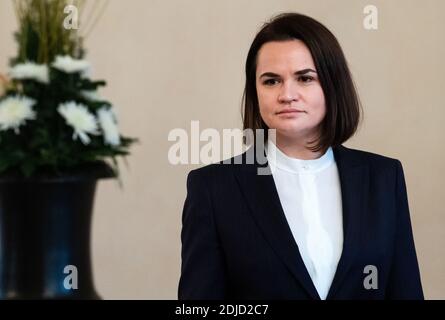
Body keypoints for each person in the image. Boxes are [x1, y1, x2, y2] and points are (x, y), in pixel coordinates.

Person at [178, 12, 423, 300]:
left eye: (305, 78)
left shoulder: (383, 177)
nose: (287, 94)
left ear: (332, 85)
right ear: (255, 92)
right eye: (271, 81)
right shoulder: (213, 188)